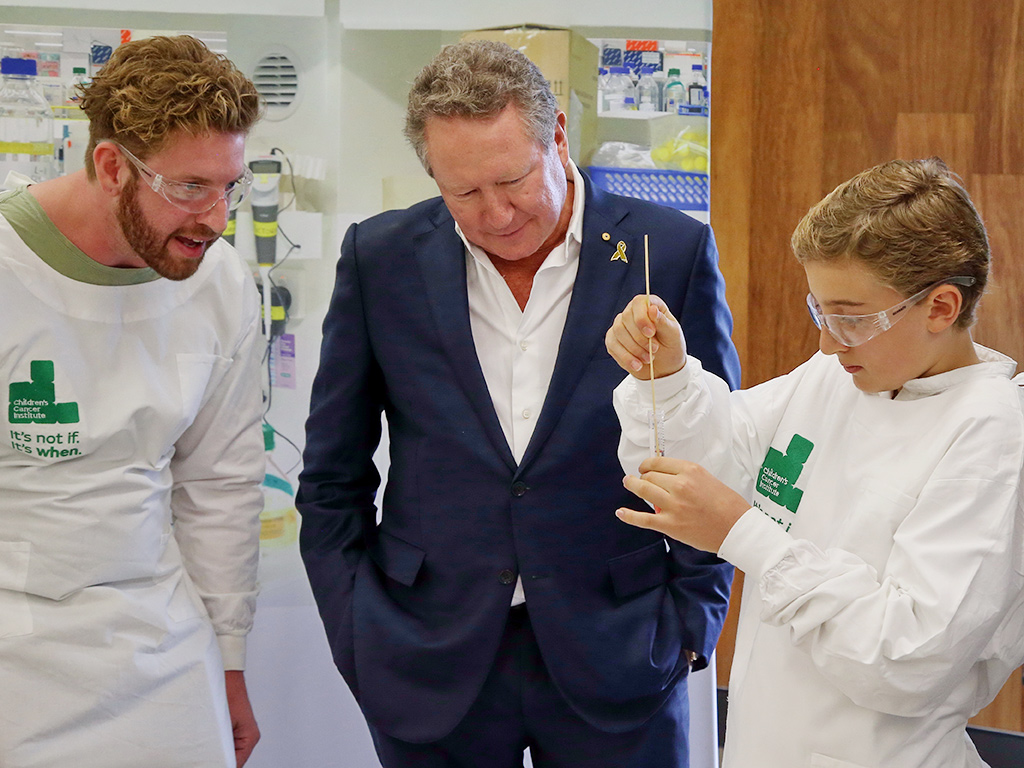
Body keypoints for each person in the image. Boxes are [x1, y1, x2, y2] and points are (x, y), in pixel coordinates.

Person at [298, 40, 740, 768]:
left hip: (622, 643)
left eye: (513, 180)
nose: (498, 215)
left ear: (557, 137)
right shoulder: (381, 258)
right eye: (463, 193)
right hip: (430, 651)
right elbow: (332, 474)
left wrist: (693, 620)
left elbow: (717, 450)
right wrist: (355, 629)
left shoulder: (670, 250)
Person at [607, 157, 1024, 767]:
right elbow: (710, 463)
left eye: (851, 318)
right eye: (821, 312)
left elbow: (906, 659)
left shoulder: (992, 435)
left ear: (940, 308)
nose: (828, 341)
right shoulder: (838, 375)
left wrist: (744, 535)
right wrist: (666, 380)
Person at [0, 36, 265, 767]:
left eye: (230, 186)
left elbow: (220, 485)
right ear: (112, 165)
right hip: (14, 652)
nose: (216, 217)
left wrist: (230, 663)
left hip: (161, 647)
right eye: (189, 188)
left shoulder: (219, 283)